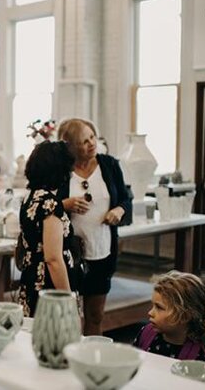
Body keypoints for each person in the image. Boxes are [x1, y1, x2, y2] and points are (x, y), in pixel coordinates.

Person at [57, 118, 132, 335]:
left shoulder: (109, 165)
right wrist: (66, 204)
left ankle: (90, 357)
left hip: (102, 250)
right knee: (69, 316)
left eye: (92, 137)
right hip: (70, 254)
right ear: (69, 145)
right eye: (84, 141)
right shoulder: (61, 171)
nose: (92, 143)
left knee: (95, 315)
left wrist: (119, 210)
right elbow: (46, 205)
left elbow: (125, 200)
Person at [17, 141, 81, 317]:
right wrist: (68, 300)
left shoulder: (30, 197)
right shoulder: (50, 204)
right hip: (48, 285)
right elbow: (53, 258)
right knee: (55, 338)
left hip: (31, 275)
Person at [134, 271, 205, 367]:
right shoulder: (146, 333)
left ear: (185, 316)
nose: (150, 313)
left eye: (159, 307)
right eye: (153, 305)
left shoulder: (199, 356)